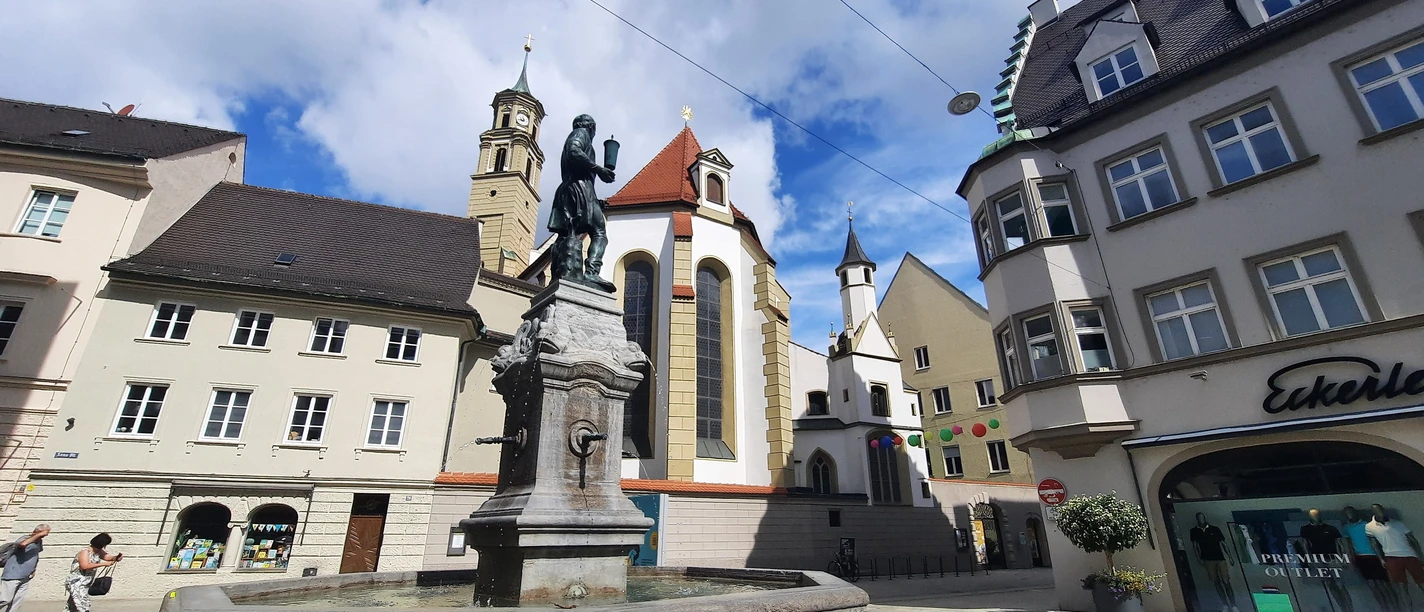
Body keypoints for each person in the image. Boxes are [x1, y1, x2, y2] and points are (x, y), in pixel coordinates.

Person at [547, 114, 616, 292]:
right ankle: (592, 272)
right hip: (579, 187)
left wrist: (596, 202)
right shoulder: (581, 133)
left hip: (569, 189)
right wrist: (599, 169)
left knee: (567, 234)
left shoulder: (578, 135)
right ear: (591, 127)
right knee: (599, 231)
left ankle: (559, 272)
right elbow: (573, 151)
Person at [1366, 503, 1424, 609]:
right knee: (1401, 587)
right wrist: (1381, 559)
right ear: (1373, 513)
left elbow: (1412, 540)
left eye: (1381, 510)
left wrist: (1420, 555)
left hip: (1409, 554)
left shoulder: (1397, 523)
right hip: (1391, 557)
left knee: (1421, 581)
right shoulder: (1369, 526)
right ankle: (1408, 609)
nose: (1381, 513)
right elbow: (1374, 544)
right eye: (1378, 511)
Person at [1343, 505, 1398, 611]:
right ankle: (1384, 608)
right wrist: (1350, 559)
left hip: (1374, 556)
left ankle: (1395, 607)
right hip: (1361, 557)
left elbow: (1376, 541)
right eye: (1347, 514)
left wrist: (1381, 557)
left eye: (1351, 512)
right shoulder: (1347, 528)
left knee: (1384, 584)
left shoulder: (1366, 525)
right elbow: (1348, 544)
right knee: (1373, 585)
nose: (1350, 515)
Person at [1189, 513, 1239, 612]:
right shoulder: (1194, 531)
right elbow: (1195, 545)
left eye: (1202, 517)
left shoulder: (1214, 529)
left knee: (1226, 581)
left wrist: (1230, 557)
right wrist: (1198, 558)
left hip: (1220, 558)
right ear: (1197, 519)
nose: (1201, 520)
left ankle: (1233, 605)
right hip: (1207, 559)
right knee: (1216, 582)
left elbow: (1223, 543)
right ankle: (1225, 604)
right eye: (1199, 518)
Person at [63, 534, 120, 612]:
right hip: (76, 582)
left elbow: (107, 557)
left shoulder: (98, 552)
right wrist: (104, 564)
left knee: (72, 607)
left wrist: (116, 557)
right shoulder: (85, 552)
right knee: (83, 605)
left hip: (85, 583)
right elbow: (85, 566)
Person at [0, 524, 49, 612]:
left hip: (25, 576)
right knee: (5, 599)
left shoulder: (39, 542)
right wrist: (38, 535)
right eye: (45, 533)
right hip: (13, 575)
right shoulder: (24, 538)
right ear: (37, 531)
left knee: (16, 602)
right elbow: (22, 544)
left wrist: (34, 569)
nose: (46, 535)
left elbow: (36, 555)